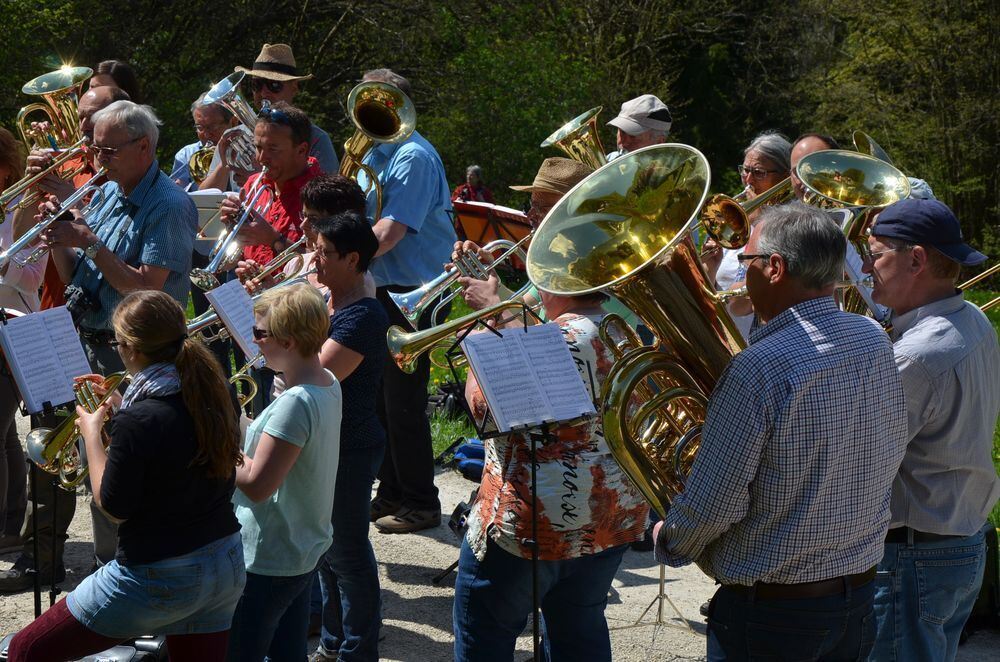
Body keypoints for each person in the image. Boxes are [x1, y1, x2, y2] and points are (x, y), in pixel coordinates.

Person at [653, 202, 908, 660]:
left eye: (745, 261)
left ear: (774, 268)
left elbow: (716, 504)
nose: (738, 275)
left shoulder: (757, 369)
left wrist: (672, 540)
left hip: (772, 614)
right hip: (857, 595)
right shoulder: (872, 337)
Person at [7, 290, 244, 662]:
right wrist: (119, 406)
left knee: (26, 649)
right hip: (223, 562)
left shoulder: (141, 419)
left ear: (131, 348)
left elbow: (113, 506)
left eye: (116, 342)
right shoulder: (213, 389)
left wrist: (91, 433)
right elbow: (169, 446)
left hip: (160, 572)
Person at [452, 287, 649, 662]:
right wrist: (505, 311)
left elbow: (486, 413)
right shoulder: (622, 329)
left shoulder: (553, 340)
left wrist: (483, 345)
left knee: (485, 630)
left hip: (529, 526)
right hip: (609, 520)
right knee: (579, 628)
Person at [42, 100, 196, 566]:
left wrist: (89, 240)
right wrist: (58, 238)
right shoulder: (107, 191)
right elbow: (75, 276)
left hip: (130, 351)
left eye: (106, 151)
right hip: (88, 337)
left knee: (117, 465)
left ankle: (122, 570)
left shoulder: (168, 205)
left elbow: (145, 287)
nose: (97, 159)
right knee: (78, 450)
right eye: (95, 148)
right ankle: (86, 562)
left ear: (144, 146)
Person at [861, 199, 1000, 662]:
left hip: (913, 556)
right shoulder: (974, 319)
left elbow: (858, 459)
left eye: (875, 253)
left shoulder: (915, 357)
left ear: (916, 259)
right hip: (960, 542)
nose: (865, 266)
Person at [358, 68, 457, 534]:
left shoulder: (414, 156)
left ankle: (421, 501)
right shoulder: (374, 153)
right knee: (380, 399)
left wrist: (343, 258)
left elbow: (389, 232)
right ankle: (393, 490)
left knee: (402, 402)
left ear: (401, 107)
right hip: (385, 284)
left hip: (415, 289)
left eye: (382, 104)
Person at [227, 282, 342, 661]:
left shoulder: (295, 402)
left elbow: (257, 485)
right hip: (300, 551)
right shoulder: (327, 382)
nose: (254, 340)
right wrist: (233, 420)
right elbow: (270, 445)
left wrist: (218, 447)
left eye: (260, 333)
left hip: (268, 557)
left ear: (289, 341)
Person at [308, 211, 388, 662]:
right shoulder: (331, 303)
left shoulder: (363, 317)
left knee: (349, 552)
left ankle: (358, 650)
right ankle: (334, 642)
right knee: (325, 549)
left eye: (323, 253)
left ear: (352, 258)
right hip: (327, 440)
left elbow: (318, 375)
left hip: (351, 443)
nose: (314, 260)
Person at [218, 101, 321, 413]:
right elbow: (242, 245)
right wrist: (232, 229)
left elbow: (326, 261)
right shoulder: (255, 184)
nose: (261, 159)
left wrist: (274, 240)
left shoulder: (321, 194)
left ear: (302, 150)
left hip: (295, 323)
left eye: (273, 149)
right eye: (258, 147)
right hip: (253, 313)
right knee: (257, 405)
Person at [200, 43, 338, 192]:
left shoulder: (316, 138)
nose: (264, 93)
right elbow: (205, 197)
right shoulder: (233, 137)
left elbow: (326, 198)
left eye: (274, 85)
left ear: (294, 88)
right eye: (257, 85)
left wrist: (259, 178)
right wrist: (224, 166)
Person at [703, 130, 792, 339]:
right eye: (745, 170)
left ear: (785, 176)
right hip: (725, 339)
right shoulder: (735, 218)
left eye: (759, 172)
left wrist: (758, 225)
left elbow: (740, 304)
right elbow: (711, 293)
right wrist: (710, 266)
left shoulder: (791, 226)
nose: (748, 181)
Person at [0, 128, 37, 555]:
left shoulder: (22, 210)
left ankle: (6, 525)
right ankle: (11, 524)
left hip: (14, 328)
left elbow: (31, 278)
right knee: (6, 433)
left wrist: (6, 261)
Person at [172, 94, 236, 188]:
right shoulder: (186, 155)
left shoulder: (253, 152)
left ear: (233, 122)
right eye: (200, 127)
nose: (206, 134)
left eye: (213, 127)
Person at [605, 94, 672, 161]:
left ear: (659, 142)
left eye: (632, 136)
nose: (623, 142)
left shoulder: (670, 170)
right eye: (622, 132)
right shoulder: (609, 159)